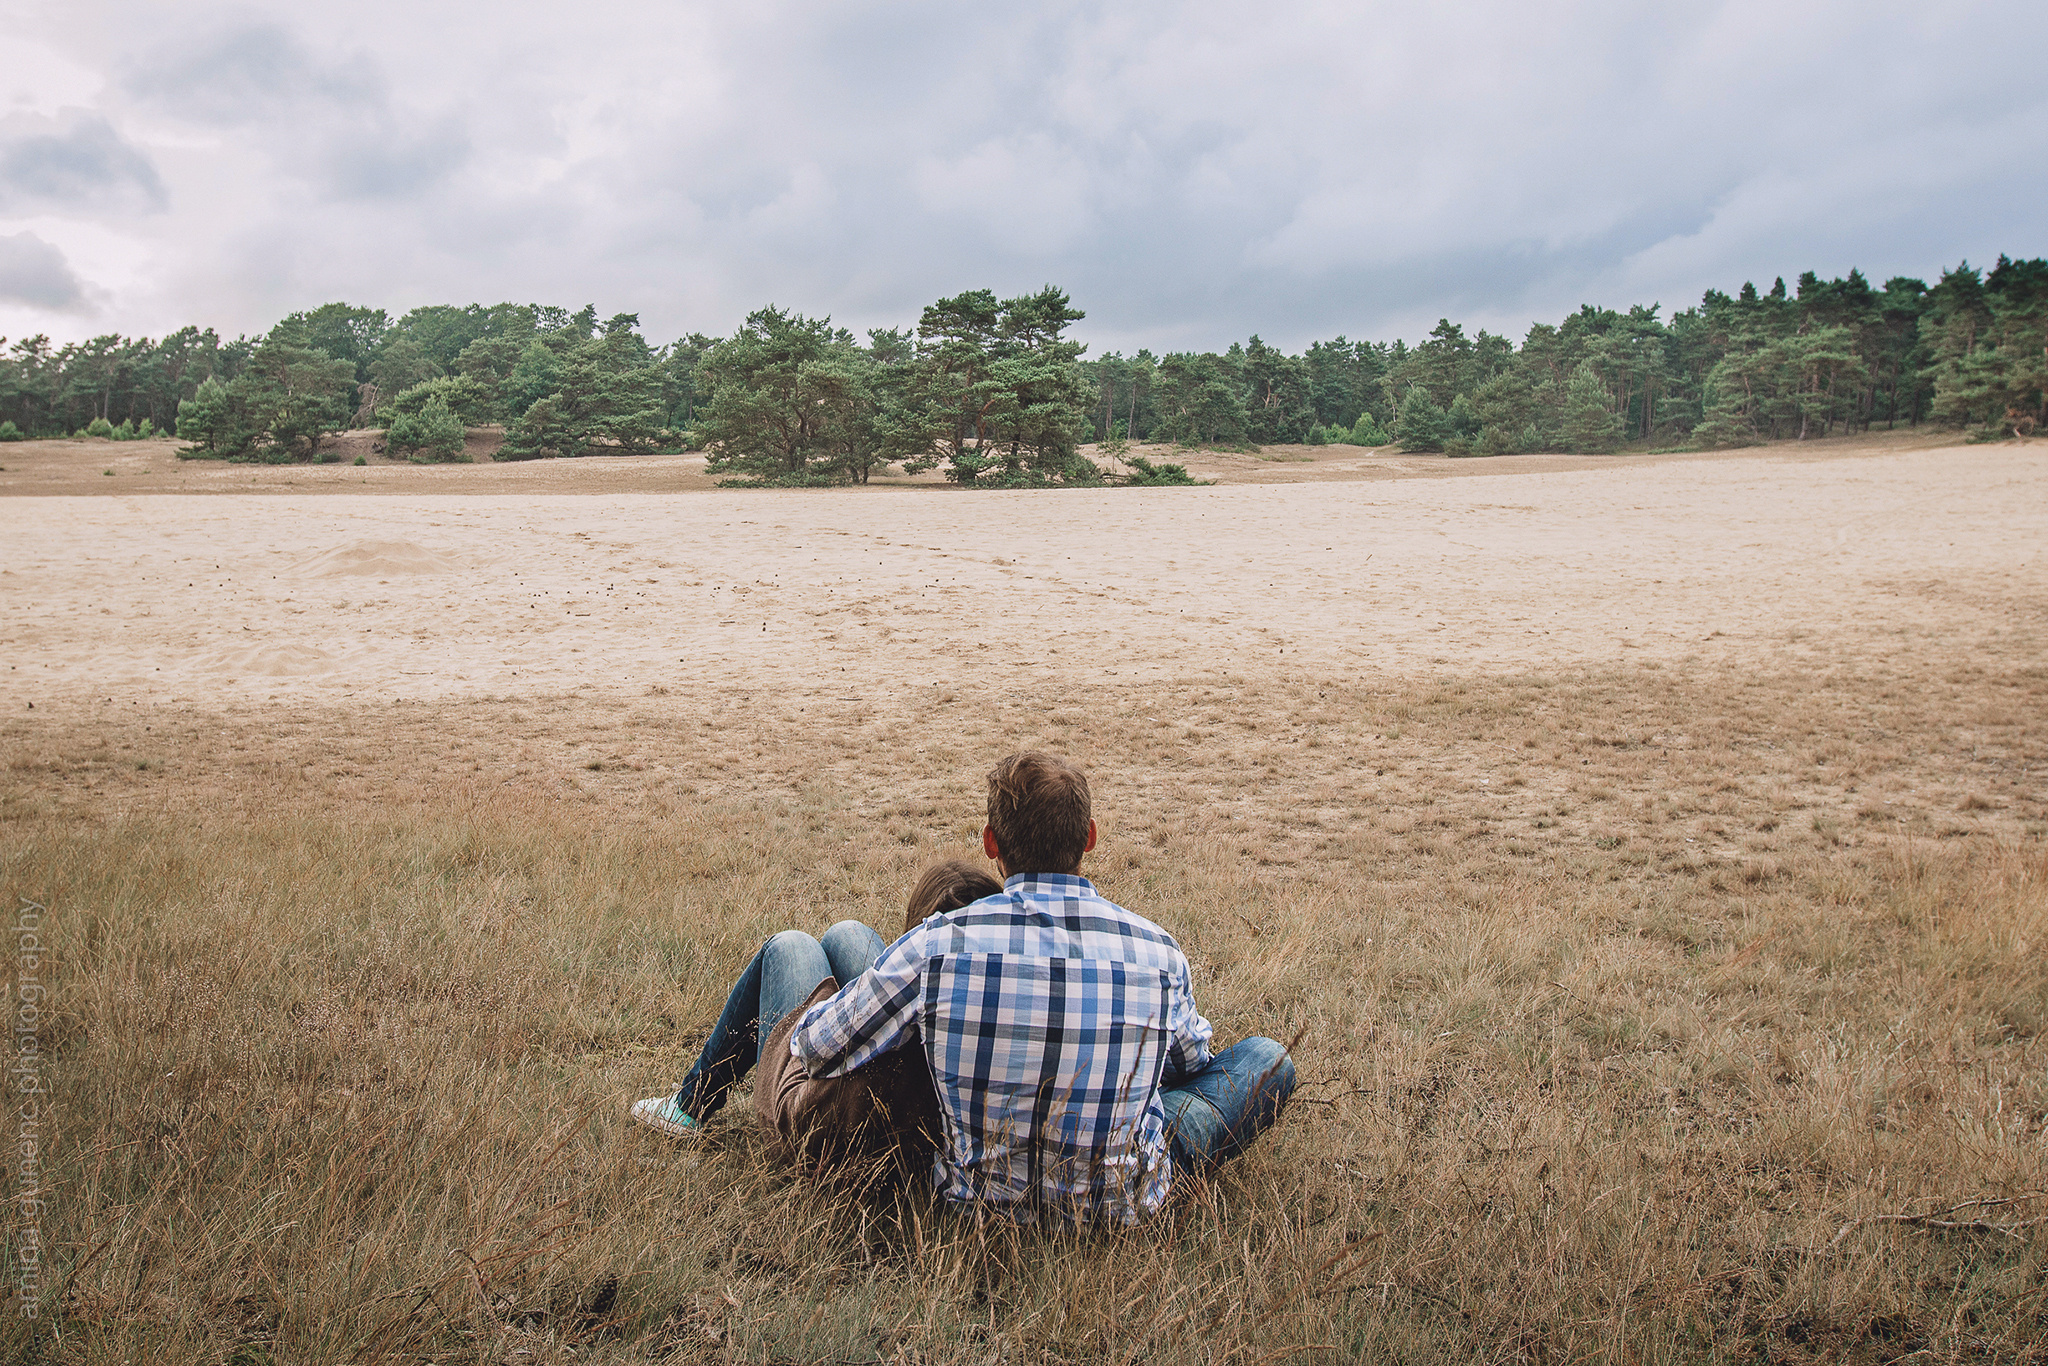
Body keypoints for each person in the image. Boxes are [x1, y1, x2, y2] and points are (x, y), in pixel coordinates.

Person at [785, 752, 1294, 1223]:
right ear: (1090, 837)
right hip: (1120, 1203)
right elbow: (1191, 1065)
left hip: (978, 1207)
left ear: (991, 844)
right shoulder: (1157, 951)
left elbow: (812, 1048)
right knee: (1266, 1058)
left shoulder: (937, 945)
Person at [630, 860, 1000, 1164]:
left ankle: (690, 1103)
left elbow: (812, 1042)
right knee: (848, 933)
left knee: (790, 946)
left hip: (824, 1119)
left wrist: (837, 1004)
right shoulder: (1004, 991)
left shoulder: (922, 970)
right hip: (913, 1104)